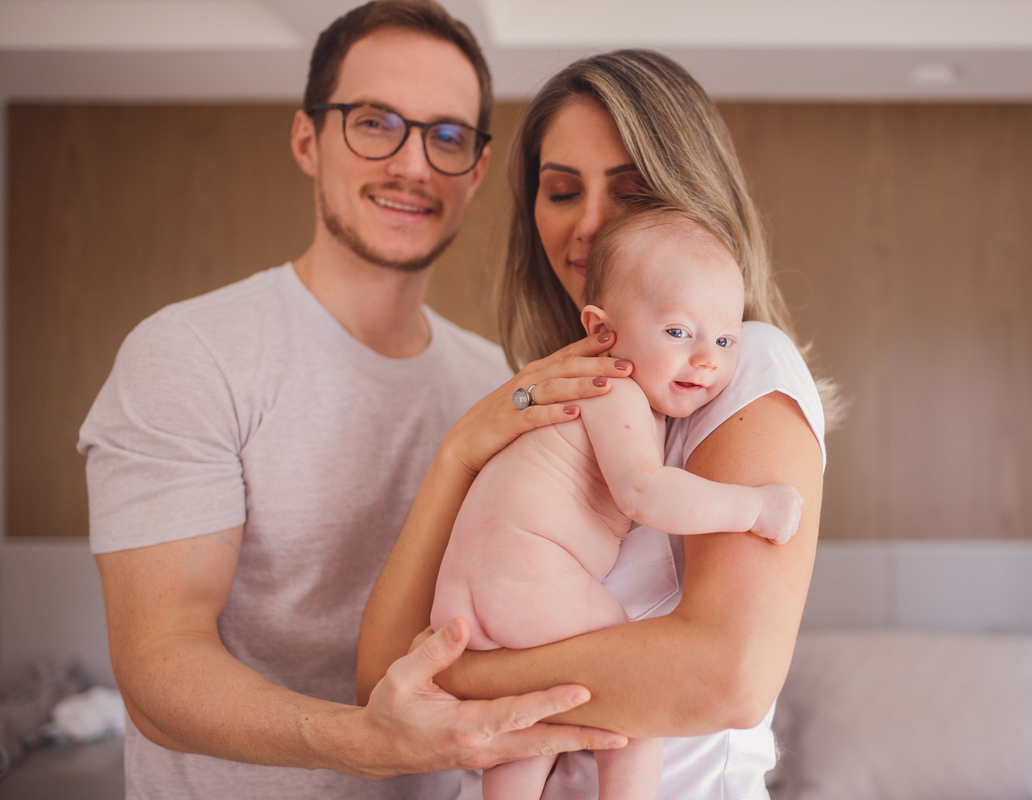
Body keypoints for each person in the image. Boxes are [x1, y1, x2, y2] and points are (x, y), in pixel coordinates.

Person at [75, 2, 632, 798]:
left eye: (446, 137)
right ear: (308, 138)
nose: (412, 165)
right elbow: (160, 667)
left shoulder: (501, 385)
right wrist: (365, 742)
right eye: (375, 123)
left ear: (476, 171)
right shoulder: (190, 355)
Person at [359, 49, 830, 799]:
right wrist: (459, 453)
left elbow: (730, 676)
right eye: (561, 190)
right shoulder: (547, 396)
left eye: (631, 188)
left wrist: (460, 678)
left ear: (692, 195)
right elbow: (379, 682)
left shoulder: (746, 367)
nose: (589, 223)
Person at [429, 204, 804, 800]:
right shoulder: (613, 389)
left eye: (725, 338)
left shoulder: (573, 396)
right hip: (524, 576)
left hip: (472, 594)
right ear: (603, 331)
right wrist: (754, 509)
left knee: (531, 717)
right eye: (679, 332)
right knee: (636, 695)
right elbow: (646, 492)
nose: (707, 358)